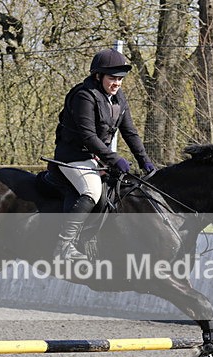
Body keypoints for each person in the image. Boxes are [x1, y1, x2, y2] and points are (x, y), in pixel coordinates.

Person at [51, 48, 155, 261]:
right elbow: (88, 136)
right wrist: (114, 158)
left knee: (119, 191)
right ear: (98, 76)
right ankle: (63, 245)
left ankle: (89, 239)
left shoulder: (118, 98)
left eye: (120, 79)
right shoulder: (83, 96)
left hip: (96, 158)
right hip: (72, 157)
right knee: (92, 191)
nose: (117, 83)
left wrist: (144, 160)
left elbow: (130, 132)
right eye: (112, 78)